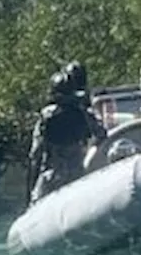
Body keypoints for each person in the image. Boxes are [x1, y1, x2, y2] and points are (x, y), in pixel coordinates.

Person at [26, 69, 106, 203]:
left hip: (51, 177)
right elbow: (101, 134)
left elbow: (35, 154)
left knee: (35, 203)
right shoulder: (83, 114)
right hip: (76, 177)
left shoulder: (47, 116)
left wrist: (30, 190)